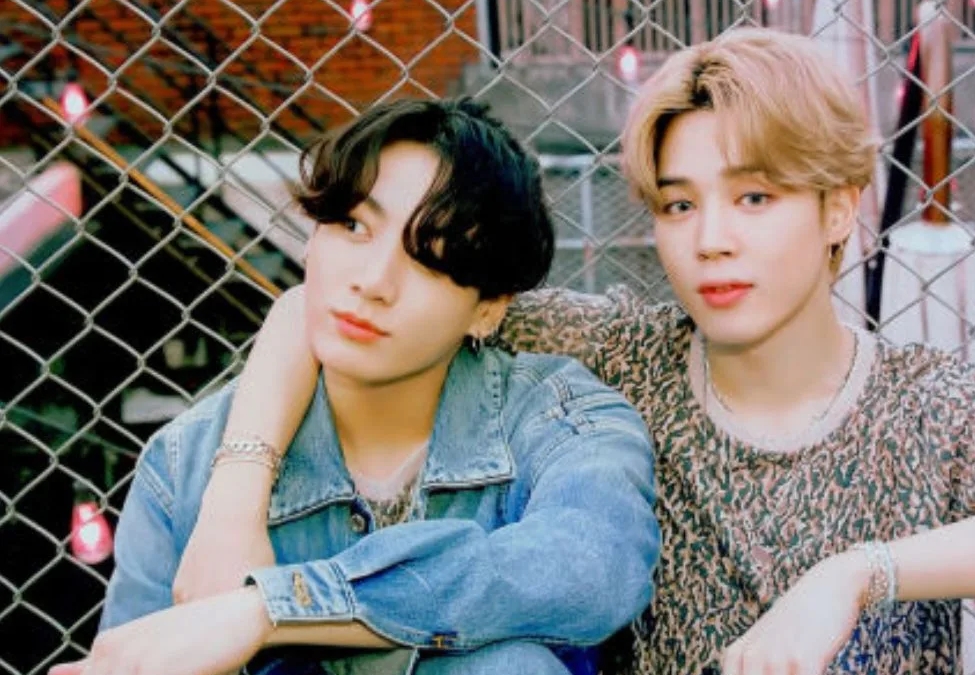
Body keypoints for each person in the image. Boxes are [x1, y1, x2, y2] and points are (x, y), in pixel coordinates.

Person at [173, 28, 975, 675]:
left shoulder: (928, 401)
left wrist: (852, 575)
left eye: (755, 197)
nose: (712, 241)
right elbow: (330, 303)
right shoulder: (615, 355)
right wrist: (233, 499)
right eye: (678, 204)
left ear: (839, 209)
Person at [50, 99, 660, 675]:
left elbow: (593, 565)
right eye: (353, 225)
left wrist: (271, 609)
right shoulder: (185, 461)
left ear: (488, 309)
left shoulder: (559, 416)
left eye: (429, 256)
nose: (373, 281)